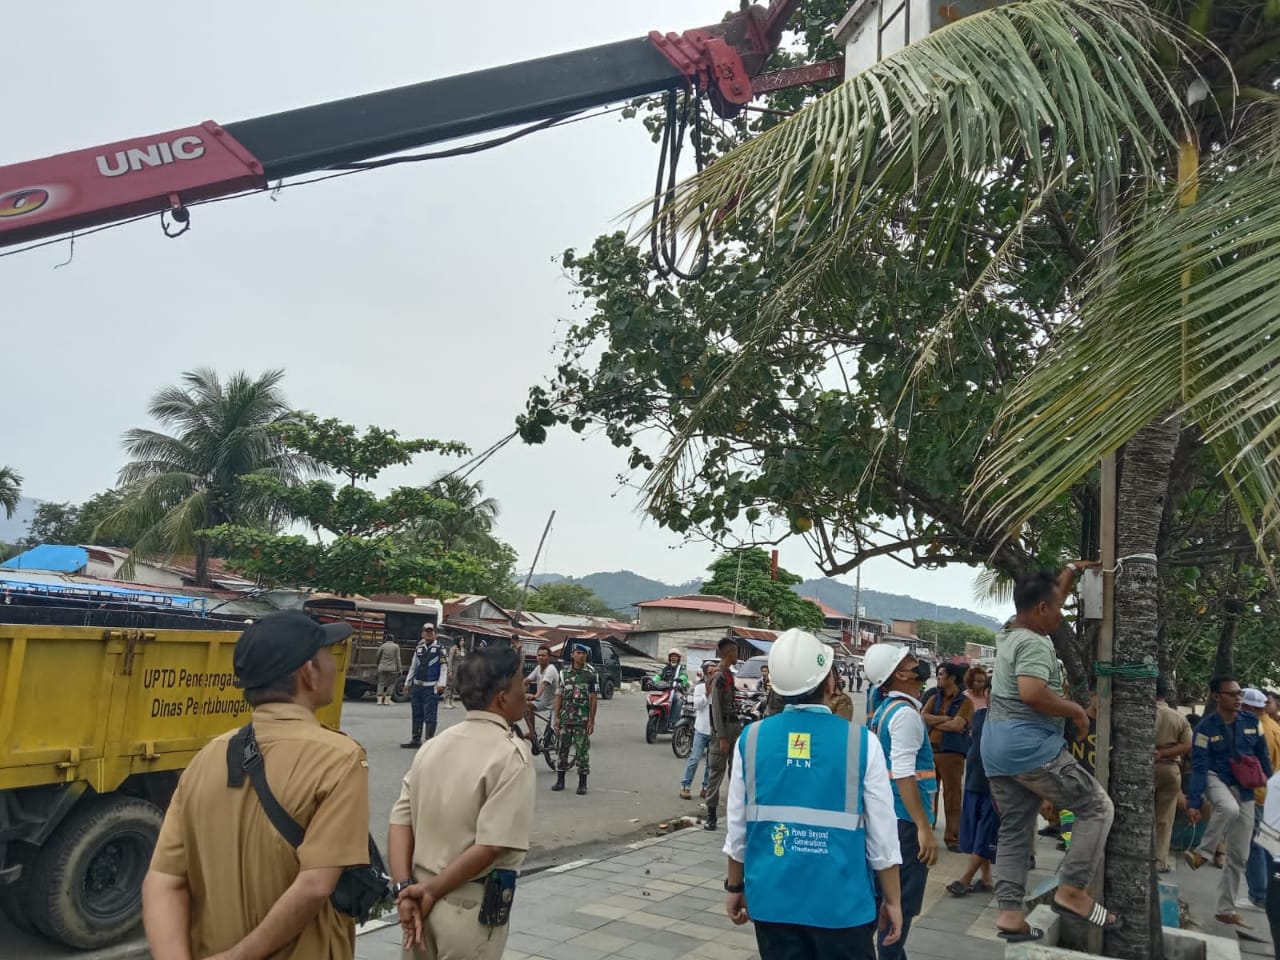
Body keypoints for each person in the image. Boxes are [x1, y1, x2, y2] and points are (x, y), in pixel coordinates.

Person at [142, 611, 370, 960]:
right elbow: (314, 885)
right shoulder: (339, 757)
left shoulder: (208, 756)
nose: (333, 665)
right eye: (327, 654)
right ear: (308, 672)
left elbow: (163, 879)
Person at [723, 629, 903, 960]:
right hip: (842, 907)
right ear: (830, 682)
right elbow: (883, 838)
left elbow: (738, 828)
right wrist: (893, 899)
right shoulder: (863, 743)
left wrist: (735, 887)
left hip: (772, 903)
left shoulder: (750, 740)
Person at [982, 564, 1118, 942]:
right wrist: (1076, 711)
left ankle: (1010, 915)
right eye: (1058, 609)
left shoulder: (1010, 631)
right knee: (1096, 807)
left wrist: (1071, 571)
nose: (1061, 615)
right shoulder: (1035, 643)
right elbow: (1031, 693)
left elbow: (1047, 596)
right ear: (1042, 609)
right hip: (1028, 748)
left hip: (995, 750)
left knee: (1014, 829)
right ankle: (1072, 889)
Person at [389, 644, 536, 959]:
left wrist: (405, 890)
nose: (527, 692)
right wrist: (431, 891)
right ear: (502, 697)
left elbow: (400, 821)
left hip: (418, 900)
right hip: (469, 906)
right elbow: (491, 845)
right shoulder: (510, 755)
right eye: (522, 684)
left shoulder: (433, 745)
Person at [864, 642, 938, 960]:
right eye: (910, 661)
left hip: (890, 818)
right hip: (906, 823)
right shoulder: (905, 715)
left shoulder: (885, 710)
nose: (917, 664)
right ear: (900, 675)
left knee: (884, 902)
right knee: (899, 910)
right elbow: (905, 773)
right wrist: (924, 827)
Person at [1185, 675, 1274, 926]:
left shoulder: (1251, 722)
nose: (1238, 698)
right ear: (1216, 697)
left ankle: (1225, 908)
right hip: (1216, 778)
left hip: (1245, 787)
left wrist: (1272, 784)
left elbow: (1262, 755)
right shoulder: (1204, 729)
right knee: (1227, 807)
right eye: (1232, 694)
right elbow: (1200, 767)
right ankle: (1203, 853)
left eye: (1239, 694)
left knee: (1239, 855)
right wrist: (1194, 802)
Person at [947, 691, 996, 898]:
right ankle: (986, 879)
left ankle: (964, 880)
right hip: (973, 781)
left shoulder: (1010, 721)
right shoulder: (979, 715)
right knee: (975, 833)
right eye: (992, 692)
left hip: (995, 787)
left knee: (985, 834)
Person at [922, 662, 974, 852]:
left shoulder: (965, 702)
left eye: (942, 674)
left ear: (952, 678)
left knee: (952, 796)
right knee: (929, 794)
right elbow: (922, 716)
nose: (938, 677)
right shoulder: (934, 698)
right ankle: (928, 828)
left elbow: (958, 726)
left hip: (952, 754)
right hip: (931, 751)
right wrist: (944, 719)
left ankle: (953, 838)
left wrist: (934, 722)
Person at [1244, 688, 1280, 909]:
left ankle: (1259, 894)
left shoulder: (1260, 730)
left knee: (1254, 845)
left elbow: (1256, 766)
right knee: (1266, 844)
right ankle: (1264, 893)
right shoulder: (1275, 727)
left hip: (1260, 794)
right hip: (1272, 794)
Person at [1154, 677, 1193, 873]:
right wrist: (1164, 753)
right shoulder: (1178, 717)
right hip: (1170, 769)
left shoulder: (1139, 713)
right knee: (1164, 817)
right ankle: (1160, 860)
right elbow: (1187, 745)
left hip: (1144, 768)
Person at [704, 636, 742, 831]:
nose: (737, 655)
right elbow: (716, 709)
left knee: (735, 772)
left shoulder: (729, 675)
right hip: (723, 729)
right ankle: (711, 816)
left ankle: (734, 811)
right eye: (735, 651)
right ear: (729, 653)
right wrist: (721, 737)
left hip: (734, 727)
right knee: (716, 773)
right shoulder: (719, 677)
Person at [552, 643, 598, 795]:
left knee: (582, 752)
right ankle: (560, 780)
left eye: (583, 653)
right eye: (578, 653)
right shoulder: (564, 673)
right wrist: (557, 717)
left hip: (582, 720)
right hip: (566, 718)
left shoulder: (591, 674)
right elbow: (559, 695)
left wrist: (591, 720)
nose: (581, 656)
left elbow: (593, 698)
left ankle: (582, 783)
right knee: (562, 750)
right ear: (572, 655)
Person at [402, 625, 448, 749]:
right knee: (416, 713)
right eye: (426, 632)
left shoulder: (440, 649)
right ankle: (415, 739)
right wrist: (407, 682)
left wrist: (442, 684)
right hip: (417, 685)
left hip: (431, 686)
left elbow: (444, 668)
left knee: (430, 714)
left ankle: (429, 741)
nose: (428, 634)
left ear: (435, 634)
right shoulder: (419, 648)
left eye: (431, 632)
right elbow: (413, 666)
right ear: (422, 634)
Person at [680, 666, 714, 800]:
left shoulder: (719, 690)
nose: (712, 676)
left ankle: (706, 788)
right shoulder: (700, 688)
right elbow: (697, 706)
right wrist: (707, 693)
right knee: (694, 759)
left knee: (711, 763)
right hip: (701, 729)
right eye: (710, 673)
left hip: (714, 731)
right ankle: (686, 786)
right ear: (705, 675)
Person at [523, 644, 559, 756]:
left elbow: (544, 684)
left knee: (554, 728)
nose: (540, 657)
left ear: (549, 657)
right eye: (539, 655)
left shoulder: (551, 670)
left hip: (555, 704)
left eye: (543, 655)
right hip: (544, 702)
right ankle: (532, 733)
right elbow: (527, 681)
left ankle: (560, 747)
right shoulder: (538, 668)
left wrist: (535, 695)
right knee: (526, 706)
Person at [653, 648, 690, 722]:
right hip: (665, 689)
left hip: (676, 689)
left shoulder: (681, 668)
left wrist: (680, 680)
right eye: (672, 656)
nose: (673, 658)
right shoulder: (666, 668)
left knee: (678, 699)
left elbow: (684, 676)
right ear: (669, 658)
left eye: (675, 656)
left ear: (678, 658)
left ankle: (674, 721)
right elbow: (658, 676)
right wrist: (652, 681)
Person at [377, 632, 403, 706]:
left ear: (385, 639)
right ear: (393, 639)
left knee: (381, 683)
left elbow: (378, 656)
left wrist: (378, 664)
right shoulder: (396, 646)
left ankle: (379, 700)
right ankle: (387, 701)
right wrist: (399, 668)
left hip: (382, 667)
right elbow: (398, 658)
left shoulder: (382, 646)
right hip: (392, 668)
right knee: (391, 684)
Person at [444, 637, 465, 709]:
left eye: (463, 640)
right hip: (453, 669)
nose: (463, 642)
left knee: (454, 686)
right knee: (449, 685)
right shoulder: (453, 648)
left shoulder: (462, 649)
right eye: (461, 640)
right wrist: (449, 671)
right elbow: (450, 660)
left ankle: (452, 701)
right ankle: (446, 701)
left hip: (459, 670)